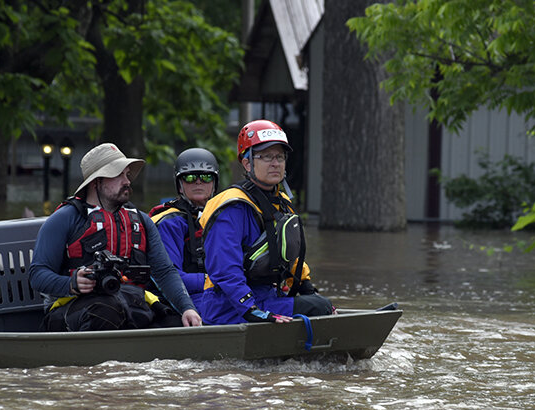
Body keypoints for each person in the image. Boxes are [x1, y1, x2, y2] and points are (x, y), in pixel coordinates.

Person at [29, 142, 203, 331]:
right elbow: (37, 274)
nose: (127, 181)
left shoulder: (142, 221)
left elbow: (164, 272)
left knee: (176, 322)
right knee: (107, 310)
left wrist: (187, 308)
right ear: (97, 182)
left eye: (127, 174)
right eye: (118, 174)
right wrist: (71, 283)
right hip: (73, 309)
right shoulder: (65, 219)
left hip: (128, 302)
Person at [196, 119, 334, 325]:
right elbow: (225, 270)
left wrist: (307, 289)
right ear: (247, 163)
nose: (275, 163)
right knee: (318, 307)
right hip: (227, 307)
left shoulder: (282, 203)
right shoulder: (231, 207)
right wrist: (251, 310)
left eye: (280, 156)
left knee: (319, 303)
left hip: (266, 297)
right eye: (266, 156)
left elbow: (291, 256)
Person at [150, 147, 219, 298]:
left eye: (206, 177)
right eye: (189, 177)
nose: (198, 182)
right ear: (180, 186)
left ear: (214, 183)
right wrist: (216, 281)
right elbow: (169, 276)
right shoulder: (170, 222)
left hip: (222, 292)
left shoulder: (225, 217)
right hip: (189, 297)